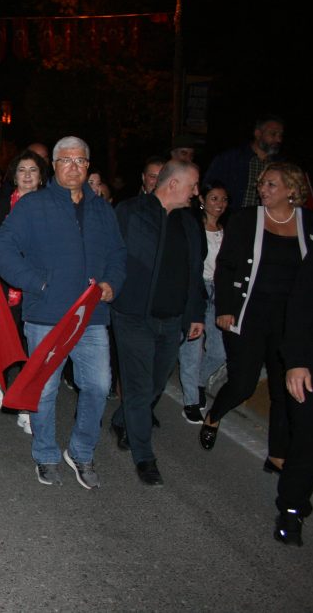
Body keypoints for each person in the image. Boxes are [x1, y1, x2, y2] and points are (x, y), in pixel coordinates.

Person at [0, 136, 126, 489]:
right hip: (47, 316)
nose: (74, 167)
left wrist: (112, 282)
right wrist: (36, 283)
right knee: (45, 388)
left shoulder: (101, 209)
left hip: (91, 316)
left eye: (81, 161)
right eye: (66, 160)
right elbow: (2, 249)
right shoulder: (33, 205)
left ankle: (81, 451)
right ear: (54, 165)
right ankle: (46, 454)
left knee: (98, 386)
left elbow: (117, 253)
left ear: (88, 166)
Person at [200, 163, 313, 473]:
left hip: (290, 322)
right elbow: (226, 266)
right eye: (262, 183)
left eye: (271, 184)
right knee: (243, 383)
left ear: (291, 189)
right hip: (247, 315)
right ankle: (213, 415)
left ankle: (277, 453)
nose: (262, 189)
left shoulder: (311, 224)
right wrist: (225, 308)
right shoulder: (245, 219)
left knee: (283, 389)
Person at [109, 160, 205, 486]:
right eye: (193, 185)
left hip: (172, 320)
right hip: (133, 317)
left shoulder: (189, 222)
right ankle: (144, 456)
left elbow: (195, 272)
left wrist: (195, 314)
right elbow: (112, 256)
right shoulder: (131, 212)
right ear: (174, 184)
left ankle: (122, 419)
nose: (196, 192)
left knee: (156, 384)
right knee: (138, 388)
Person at [0, 150, 48, 433]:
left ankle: (26, 406)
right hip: (5, 282)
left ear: (41, 176)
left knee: (34, 346)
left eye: (33, 170)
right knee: (7, 336)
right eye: (22, 170)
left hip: (40, 285)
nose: (27, 175)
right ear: (14, 175)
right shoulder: (2, 205)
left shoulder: (51, 204)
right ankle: (1, 380)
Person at [273, 247, 313, 546]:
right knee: (309, 440)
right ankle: (291, 509)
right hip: (312, 366)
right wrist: (296, 361)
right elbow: (301, 304)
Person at [177, 181, 229, 422]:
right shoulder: (192, 226)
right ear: (202, 200)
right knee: (192, 349)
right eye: (214, 198)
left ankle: (198, 382)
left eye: (224, 199)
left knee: (219, 351)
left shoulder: (227, 229)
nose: (219, 204)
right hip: (197, 289)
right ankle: (191, 401)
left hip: (219, 292)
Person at [205, 114, 284, 211]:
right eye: (273, 134)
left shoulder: (280, 165)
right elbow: (208, 189)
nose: (278, 140)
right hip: (233, 217)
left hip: (266, 217)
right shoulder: (231, 159)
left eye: (280, 135)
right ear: (258, 133)